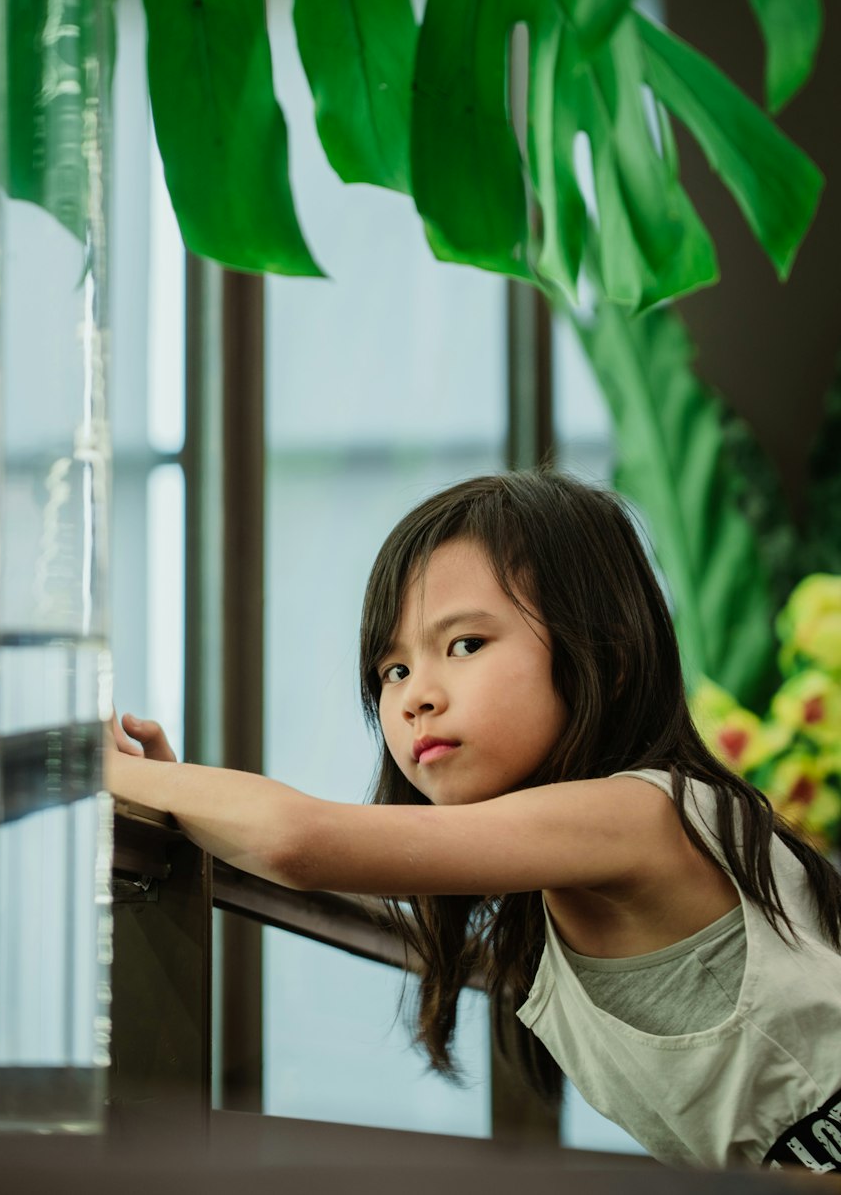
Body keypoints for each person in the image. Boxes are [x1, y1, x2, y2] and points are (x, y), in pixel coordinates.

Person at [107, 471, 841, 1174]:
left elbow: (300, 841)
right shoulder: (553, 882)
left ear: (606, 656)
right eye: (391, 670)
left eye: (465, 645)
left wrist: (120, 773)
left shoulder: (640, 815)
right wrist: (181, 801)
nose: (415, 696)